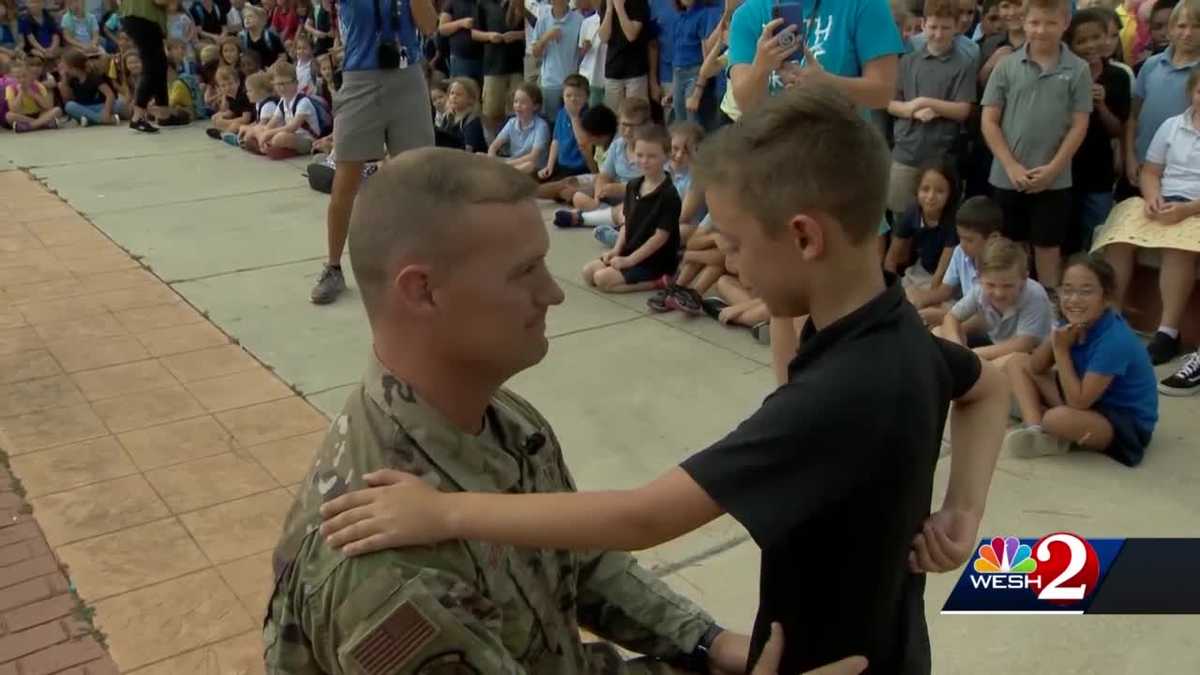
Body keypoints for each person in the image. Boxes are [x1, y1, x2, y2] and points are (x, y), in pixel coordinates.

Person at [317, 84, 1009, 675]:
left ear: (804, 238)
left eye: (733, 244)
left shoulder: (842, 389)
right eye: (524, 271)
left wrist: (447, 510)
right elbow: (987, 386)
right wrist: (963, 511)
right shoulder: (893, 338)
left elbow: (643, 517)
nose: (556, 294)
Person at [264, 147, 768, 675]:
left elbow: (577, 556)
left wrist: (712, 645)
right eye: (525, 271)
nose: (553, 293)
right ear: (424, 291)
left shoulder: (498, 416)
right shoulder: (387, 573)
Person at [723, 0, 905, 385]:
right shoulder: (749, 15)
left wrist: (828, 84)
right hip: (776, 174)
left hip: (845, 173)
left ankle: (855, 396)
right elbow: (745, 101)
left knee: (852, 304)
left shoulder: (863, 7)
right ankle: (791, 400)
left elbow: (883, 90)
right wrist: (761, 64)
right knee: (784, 305)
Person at [309, 0, 437, 305]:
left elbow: (430, 26)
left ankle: (421, 267)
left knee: (417, 177)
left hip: (407, 77)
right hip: (360, 77)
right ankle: (333, 267)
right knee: (346, 178)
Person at [1004, 254, 1158, 466]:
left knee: (1056, 418)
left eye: (1086, 292)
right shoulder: (1073, 320)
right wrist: (1055, 336)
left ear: (1105, 297)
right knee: (1017, 362)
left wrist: (1061, 350)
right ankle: (1035, 428)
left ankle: (1053, 427)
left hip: (1123, 422)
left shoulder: (1114, 340)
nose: (1074, 299)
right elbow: (1035, 367)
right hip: (1085, 400)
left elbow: (1079, 402)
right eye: (1067, 290)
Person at [981, 0, 1091, 293]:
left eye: (1050, 23)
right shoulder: (1006, 66)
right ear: (1024, 22)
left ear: (1065, 22)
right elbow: (989, 121)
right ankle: (1013, 306)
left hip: (1053, 181)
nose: (1041, 30)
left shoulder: (1078, 69)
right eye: (1035, 23)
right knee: (1010, 247)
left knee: (1047, 247)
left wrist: (1054, 169)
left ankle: (1049, 311)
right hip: (1008, 176)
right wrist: (1011, 165)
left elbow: (1080, 125)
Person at [1092, 67, 1200, 364]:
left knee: (1179, 246)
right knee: (1118, 234)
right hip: (1165, 200)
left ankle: (1167, 332)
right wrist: (1153, 197)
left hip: (1196, 208)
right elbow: (1151, 171)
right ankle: (1111, 319)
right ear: (1192, 92)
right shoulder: (1172, 125)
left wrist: (1187, 210)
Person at [887, 0, 976, 217]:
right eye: (933, 27)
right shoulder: (908, 60)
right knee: (900, 216)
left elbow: (963, 110)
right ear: (923, 24)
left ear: (955, 27)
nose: (938, 34)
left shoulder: (963, 63)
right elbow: (889, 103)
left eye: (945, 28)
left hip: (940, 156)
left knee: (937, 217)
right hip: (905, 152)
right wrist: (911, 110)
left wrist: (926, 102)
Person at [582, 123, 680, 292]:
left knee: (602, 280)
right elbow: (626, 223)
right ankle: (624, 270)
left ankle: (659, 282)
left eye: (652, 156)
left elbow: (660, 238)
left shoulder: (669, 194)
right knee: (588, 273)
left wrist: (629, 261)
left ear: (666, 156)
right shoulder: (633, 186)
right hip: (631, 249)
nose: (644, 161)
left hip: (654, 260)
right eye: (640, 155)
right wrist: (616, 250)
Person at [1068, 7, 1131, 254]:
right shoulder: (1065, 73)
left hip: (1099, 170)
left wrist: (1102, 105)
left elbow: (1117, 129)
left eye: (1096, 37)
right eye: (1081, 41)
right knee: (1068, 233)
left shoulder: (1117, 76)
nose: (1090, 46)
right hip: (1067, 168)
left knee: (1098, 233)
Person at [937, 237, 1055, 362]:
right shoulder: (979, 289)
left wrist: (971, 355)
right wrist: (957, 346)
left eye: (1008, 285)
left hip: (1028, 356)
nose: (999, 293)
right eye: (991, 285)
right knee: (939, 333)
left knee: (1014, 361)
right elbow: (951, 317)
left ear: (1024, 279)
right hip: (995, 345)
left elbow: (1024, 344)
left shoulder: (1034, 295)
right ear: (979, 278)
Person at [1125, 0, 1200, 192]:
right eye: (1182, 26)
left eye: (1197, 26)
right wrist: (1131, 157)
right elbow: (1133, 117)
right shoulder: (1151, 66)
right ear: (1171, 28)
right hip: (1142, 166)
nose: (1188, 33)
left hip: (1182, 176)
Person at [908, 194, 1004, 326]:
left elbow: (989, 318)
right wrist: (921, 299)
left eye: (969, 240)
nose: (962, 244)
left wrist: (945, 317)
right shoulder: (960, 251)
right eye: (960, 238)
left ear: (993, 238)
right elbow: (946, 290)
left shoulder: (1003, 265)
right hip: (965, 315)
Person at [884, 161, 961, 292]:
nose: (931, 197)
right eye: (925, 189)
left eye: (940, 191)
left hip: (948, 278)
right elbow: (891, 258)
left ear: (950, 194)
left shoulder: (953, 220)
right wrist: (890, 289)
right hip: (922, 269)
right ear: (917, 189)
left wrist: (928, 297)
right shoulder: (912, 211)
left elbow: (942, 271)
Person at [472, 0, 525, 138]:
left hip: (518, 66)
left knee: (517, 111)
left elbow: (536, 28)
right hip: (493, 66)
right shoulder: (484, 4)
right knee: (491, 111)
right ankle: (492, 146)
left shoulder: (522, 3)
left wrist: (517, 35)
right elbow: (473, 33)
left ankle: (513, 147)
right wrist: (489, 36)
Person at [119, 0, 168, 132]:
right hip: (143, 17)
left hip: (135, 15)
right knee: (151, 66)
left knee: (160, 65)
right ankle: (137, 118)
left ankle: (164, 113)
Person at [530, 0, 582, 119]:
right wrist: (546, 37)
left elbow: (581, 53)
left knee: (572, 120)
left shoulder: (579, 20)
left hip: (572, 82)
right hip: (550, 82)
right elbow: (535, 53)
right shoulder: (543, 20)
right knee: (551, 121)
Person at [538, 73, 592, 180]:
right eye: (568, 95)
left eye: (578, 96)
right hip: (562, 164)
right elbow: (556, 141)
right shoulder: (561, 113)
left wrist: (574, 117)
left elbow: (584, 144)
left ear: (586, 97)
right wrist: (549, 165)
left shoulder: (590, 115)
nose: (573, 99)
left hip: (580, 168)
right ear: (563, 96)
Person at [601, 0, 651, 109]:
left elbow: (631, 35)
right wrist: (609, 9)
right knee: (612, 118)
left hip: (635, 71)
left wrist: (620, 8)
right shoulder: (606, 3)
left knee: (635, 113)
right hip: (613, 69)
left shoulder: (638, 3)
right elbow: (604, 37)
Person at [58, 46, 116, 124]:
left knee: (119, 104)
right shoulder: (70, 79)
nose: (61, 66)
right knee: (69, 106)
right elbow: (68, 99)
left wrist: (106, 111)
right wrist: (64, 79)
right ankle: (100, 119)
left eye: (63, 64)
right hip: (83, 107)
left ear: (72, 67)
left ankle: (91, 119)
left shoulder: (93, 77)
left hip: (99, 106)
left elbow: (110, 95)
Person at [4, 57, 63, 130]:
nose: (21, 80)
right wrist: (20, 93)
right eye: (18, 77)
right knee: (9, 116)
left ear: (31, 76)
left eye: (24, 76)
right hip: (22, 116)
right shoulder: (10, 89)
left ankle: (31, 126)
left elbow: (47, 106)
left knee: (57, 110)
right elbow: (14, 109)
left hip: (39, 114)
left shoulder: (39, 86)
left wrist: (34, 94)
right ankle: (44, 124)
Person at [436, 75, 486, 149]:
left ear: (471, 99)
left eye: (459, 94)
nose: (454, 97)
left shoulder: (473, 121)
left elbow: (468, 149)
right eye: (452, 93)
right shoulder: (448, 117)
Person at [439, 0, 483, 80]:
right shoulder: (452, 2)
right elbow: (442, 29)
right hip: (461, 58)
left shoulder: (483, 3)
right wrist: (460, 23)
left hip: (484, 58)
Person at [579, 0, 607, 106]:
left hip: (609, 77)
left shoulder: (615, 19)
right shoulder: (587, 22)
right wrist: (585, 48)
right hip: (591, 76)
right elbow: (580, 54)